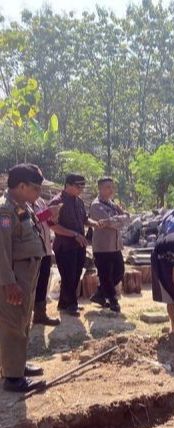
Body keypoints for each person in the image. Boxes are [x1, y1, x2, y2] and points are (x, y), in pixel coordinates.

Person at [0, 164, 47, 392]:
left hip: (26, 273)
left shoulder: (21, 207)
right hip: (15, 277)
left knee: (23, 321)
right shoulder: (5, 211)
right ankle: (12, 377)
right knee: (13, 323)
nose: (38, 194)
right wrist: (9, 282)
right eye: (35, 189)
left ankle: (16, 365)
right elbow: (2, 250)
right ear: (21, 186)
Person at [49, 174, 100, 316]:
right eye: (79, 186)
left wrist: (94, 223)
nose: (82, 189)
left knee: (76, 274)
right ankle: (71, 304)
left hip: (79, 245)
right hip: (65, 246)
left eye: (83, 186)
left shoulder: (79, 202)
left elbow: (84, 219)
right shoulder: (57, 202)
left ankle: (64, 303)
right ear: (68, 185)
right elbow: (52, 226)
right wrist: (74, 234)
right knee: (68, 275)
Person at [89, 177, 130, 313]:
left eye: (112, 187)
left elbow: (126, 219)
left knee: (119, 272)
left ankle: (99, 294)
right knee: (105, 274)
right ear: (100, 188)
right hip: (103, 247)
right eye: (108, 187)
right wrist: (119, 219)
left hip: (115, 245)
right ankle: (113, 300)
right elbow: (110, 223)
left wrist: (117, 220)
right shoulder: (96, 205)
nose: (111, 190)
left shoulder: (112, 204)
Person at [32, 196, 61, 326]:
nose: (38, 190)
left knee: (43, 282)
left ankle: (40, 314)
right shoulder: (20, 203)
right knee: (30, 284)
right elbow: (30, 221)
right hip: (31, 252)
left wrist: (53, 217)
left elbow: (47, 222)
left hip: (45, 249)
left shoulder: (40, 201)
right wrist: (48, 213)